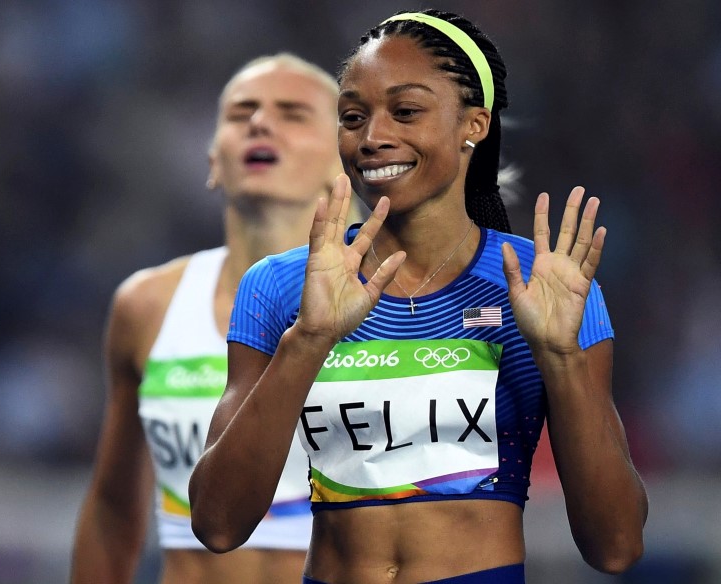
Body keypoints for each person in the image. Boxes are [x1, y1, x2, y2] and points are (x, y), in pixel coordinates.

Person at [188, 9, 648, 584]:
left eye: (405, 112)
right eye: (353, 117)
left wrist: (561, 356)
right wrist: (307, 341)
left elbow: (617, 546)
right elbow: (217, 524)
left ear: (473, 125)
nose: (374, 137)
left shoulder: (546, 288)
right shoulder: (282, 287)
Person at [70, 53, 359, 584]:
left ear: (344, 162)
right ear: (212, 159)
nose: (260, 123)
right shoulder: (149, 305)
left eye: (293, 114)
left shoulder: (395, 298)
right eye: (240, 112)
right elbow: (113, 511)